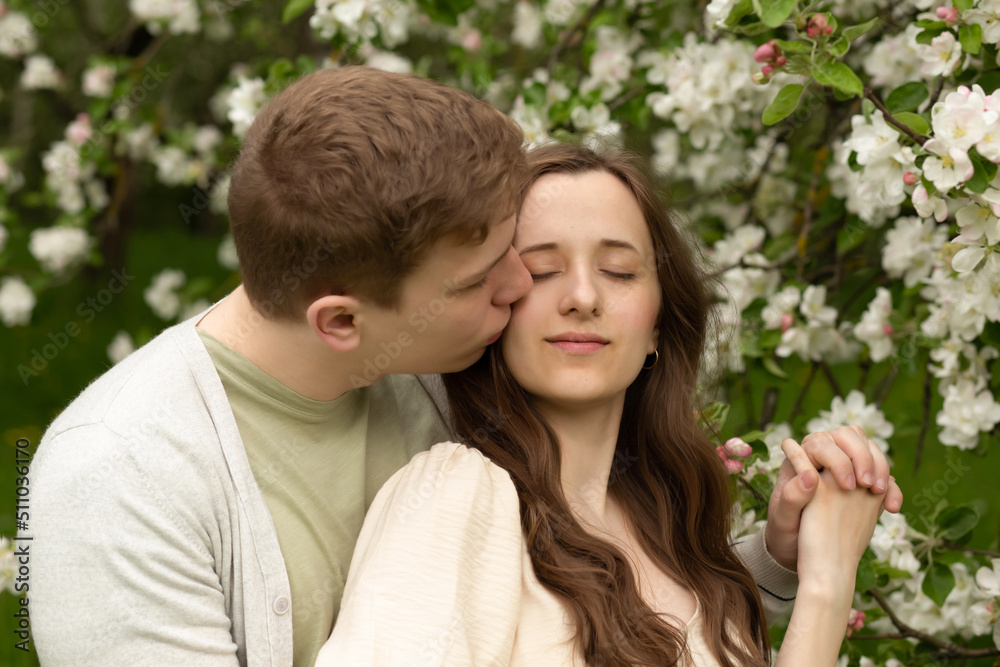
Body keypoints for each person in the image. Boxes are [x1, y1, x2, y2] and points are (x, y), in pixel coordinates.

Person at [27, 68, 898, 667]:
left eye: (621, 271)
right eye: (501, 276)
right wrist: (822, 595)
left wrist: (775, 567)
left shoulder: (437, 367)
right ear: (344, 322)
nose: (538, 293)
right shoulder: (122, 474)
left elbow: (579, 605)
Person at [317, 143, 889, 666]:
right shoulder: (457, 496)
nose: (584, 297)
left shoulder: (678, 536)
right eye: (542, 271)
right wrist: (827, 585)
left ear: (660, 324)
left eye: (618, 271)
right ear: (493, 306)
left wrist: (788, 552)